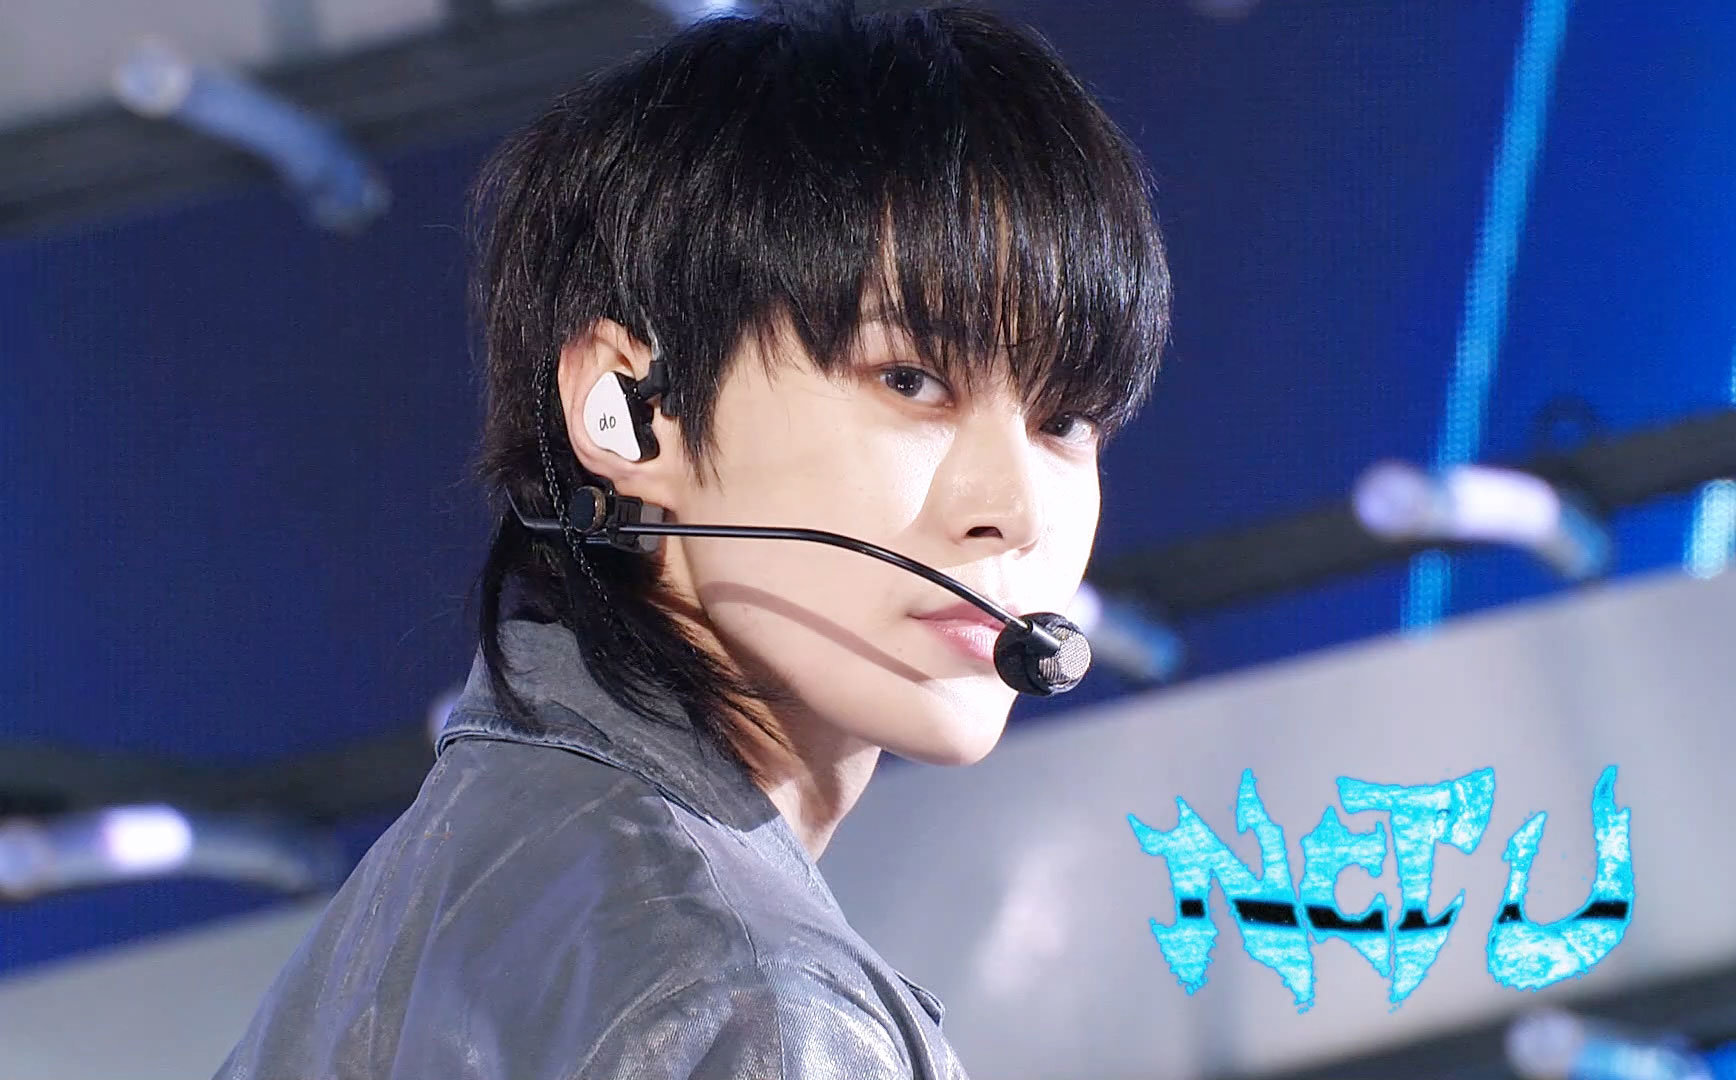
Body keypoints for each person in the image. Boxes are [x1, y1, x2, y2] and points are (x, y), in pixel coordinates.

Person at [214, 2, 1168, 1076]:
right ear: (631, 408)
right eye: (910, 381)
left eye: (1065, 420)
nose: (1016, 509)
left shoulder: (431, 897)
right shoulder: (752, 1006)